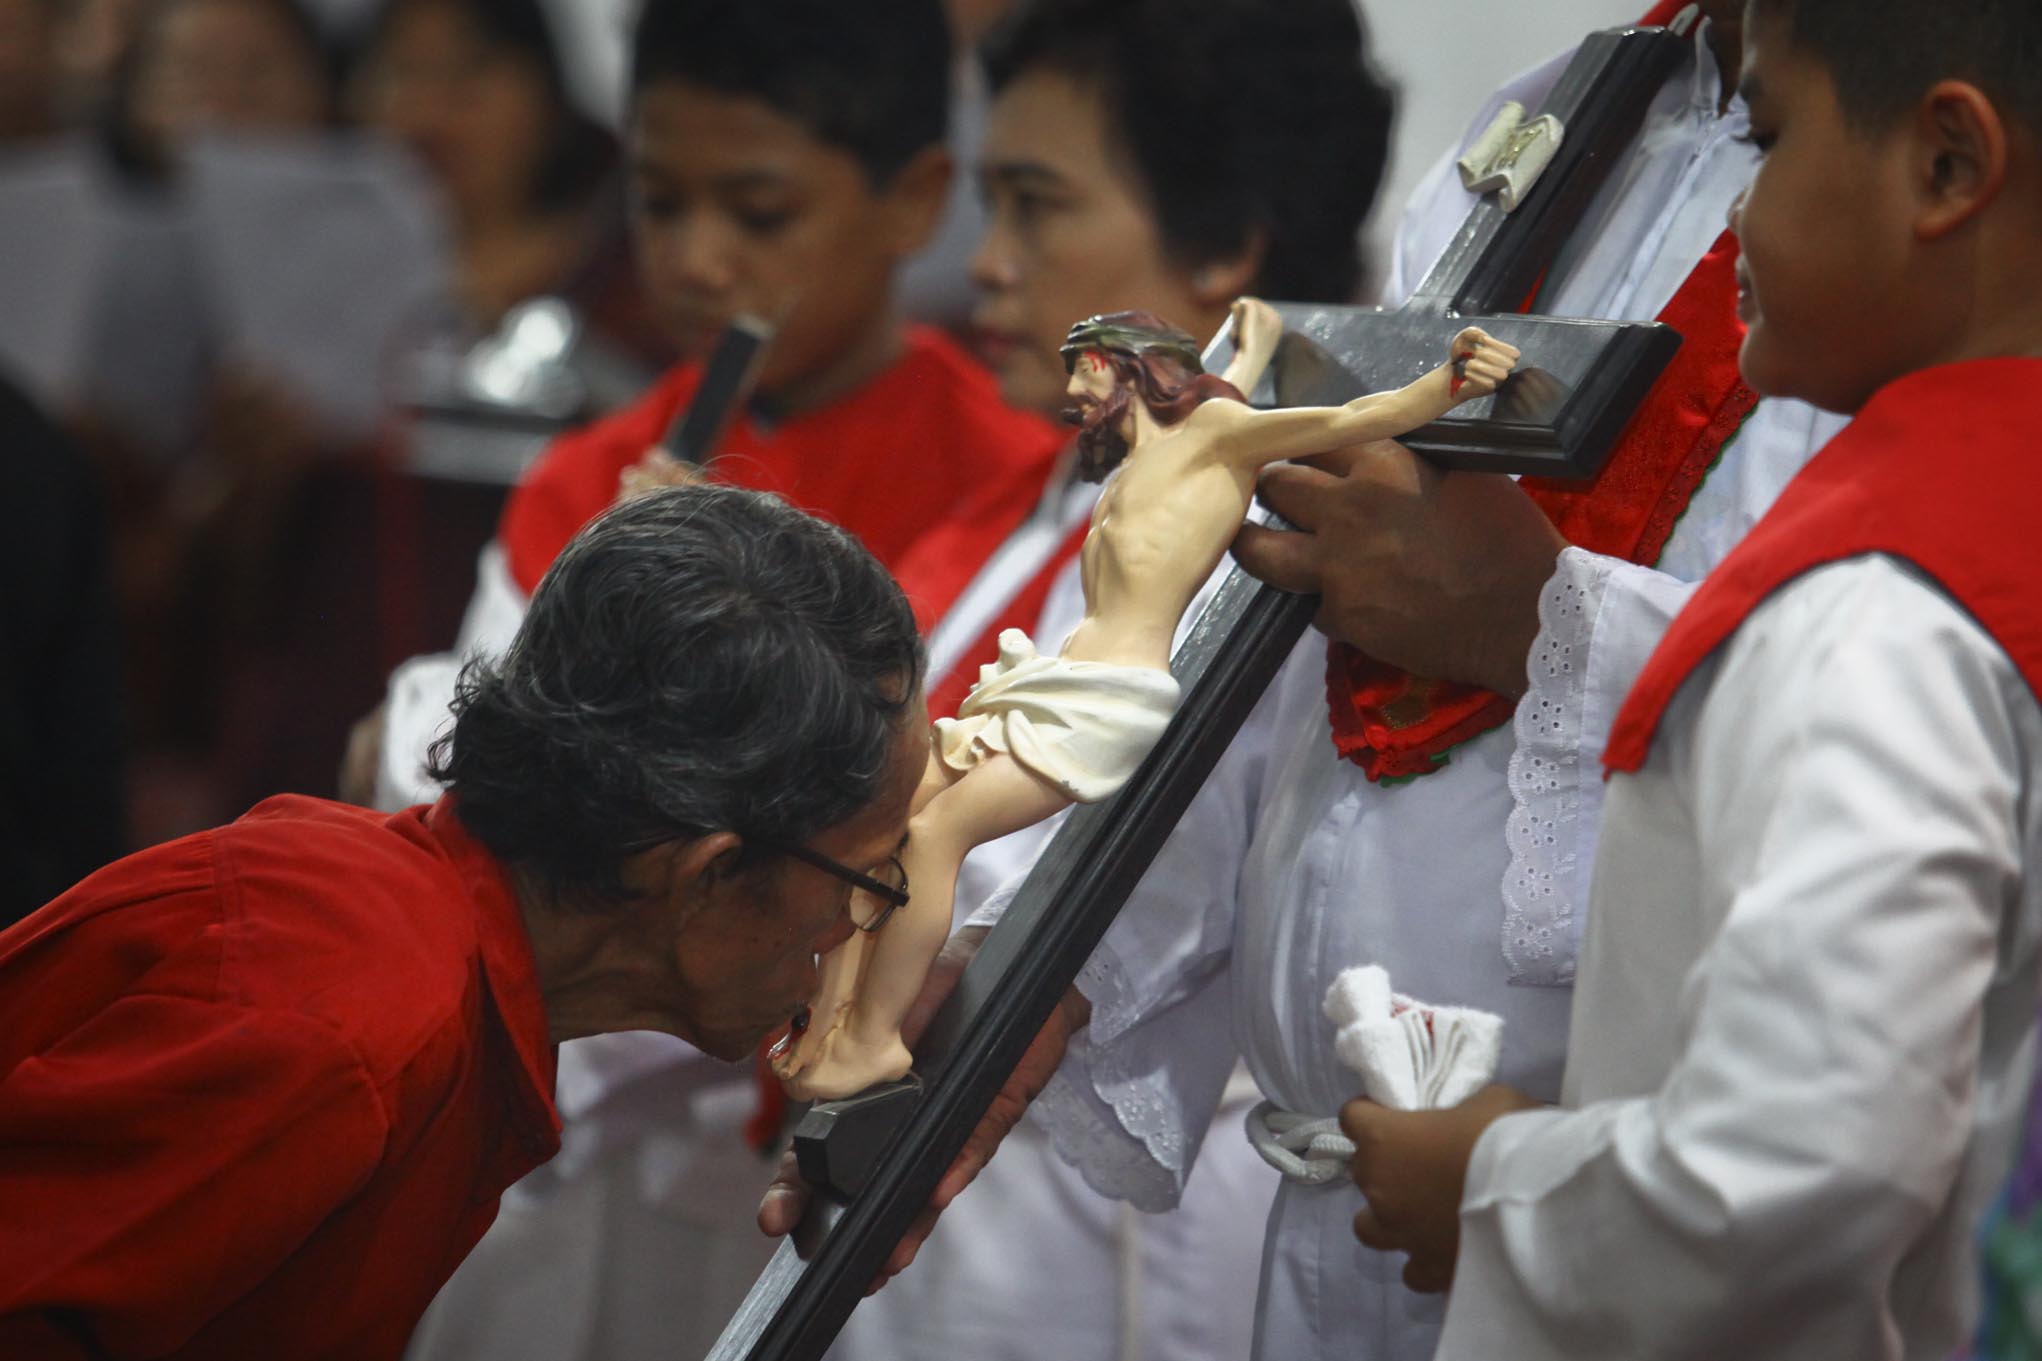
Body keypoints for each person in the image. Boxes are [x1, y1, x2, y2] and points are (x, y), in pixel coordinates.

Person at [845, 3, 1871, 1359]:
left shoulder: (1909, 183)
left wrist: (1541, 623)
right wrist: (1055, 954)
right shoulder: (1564, 108)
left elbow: (1927, 697)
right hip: (1343, 1207)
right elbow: (1325, 581)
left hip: (1649, 1220)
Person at [1335, 1, 2042, 1355]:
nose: (1738, 211)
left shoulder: (1876, 614)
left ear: (1947, 168)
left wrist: (1491, 1191)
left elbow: (1801, 1165)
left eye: (1766, 143)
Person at [0, 484, 930, 1360]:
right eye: (866, 877)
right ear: (708, 873)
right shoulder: (349, 1030)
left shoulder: (445, 983)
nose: (863, 926)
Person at [815, 3, 1399, 1358]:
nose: (989, 267)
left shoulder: (1296, 560)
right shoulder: (1017, 507)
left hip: (1108, 1243)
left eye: (1036, 208)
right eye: (987, 207)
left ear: (1226, 246)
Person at [778, 305, 1517, 1101]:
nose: (1072, 391)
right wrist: (1258, 338)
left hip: (1106, 701)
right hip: (1049, 681)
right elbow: (1224, 386)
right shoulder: (1150, 457)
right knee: (889, 818)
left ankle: (871, 1039)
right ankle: (829, 1016)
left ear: (1130, 369)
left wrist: (1447, 382)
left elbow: (1350, 417)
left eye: (1085, 370)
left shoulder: (1217, 437)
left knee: (932, 837)